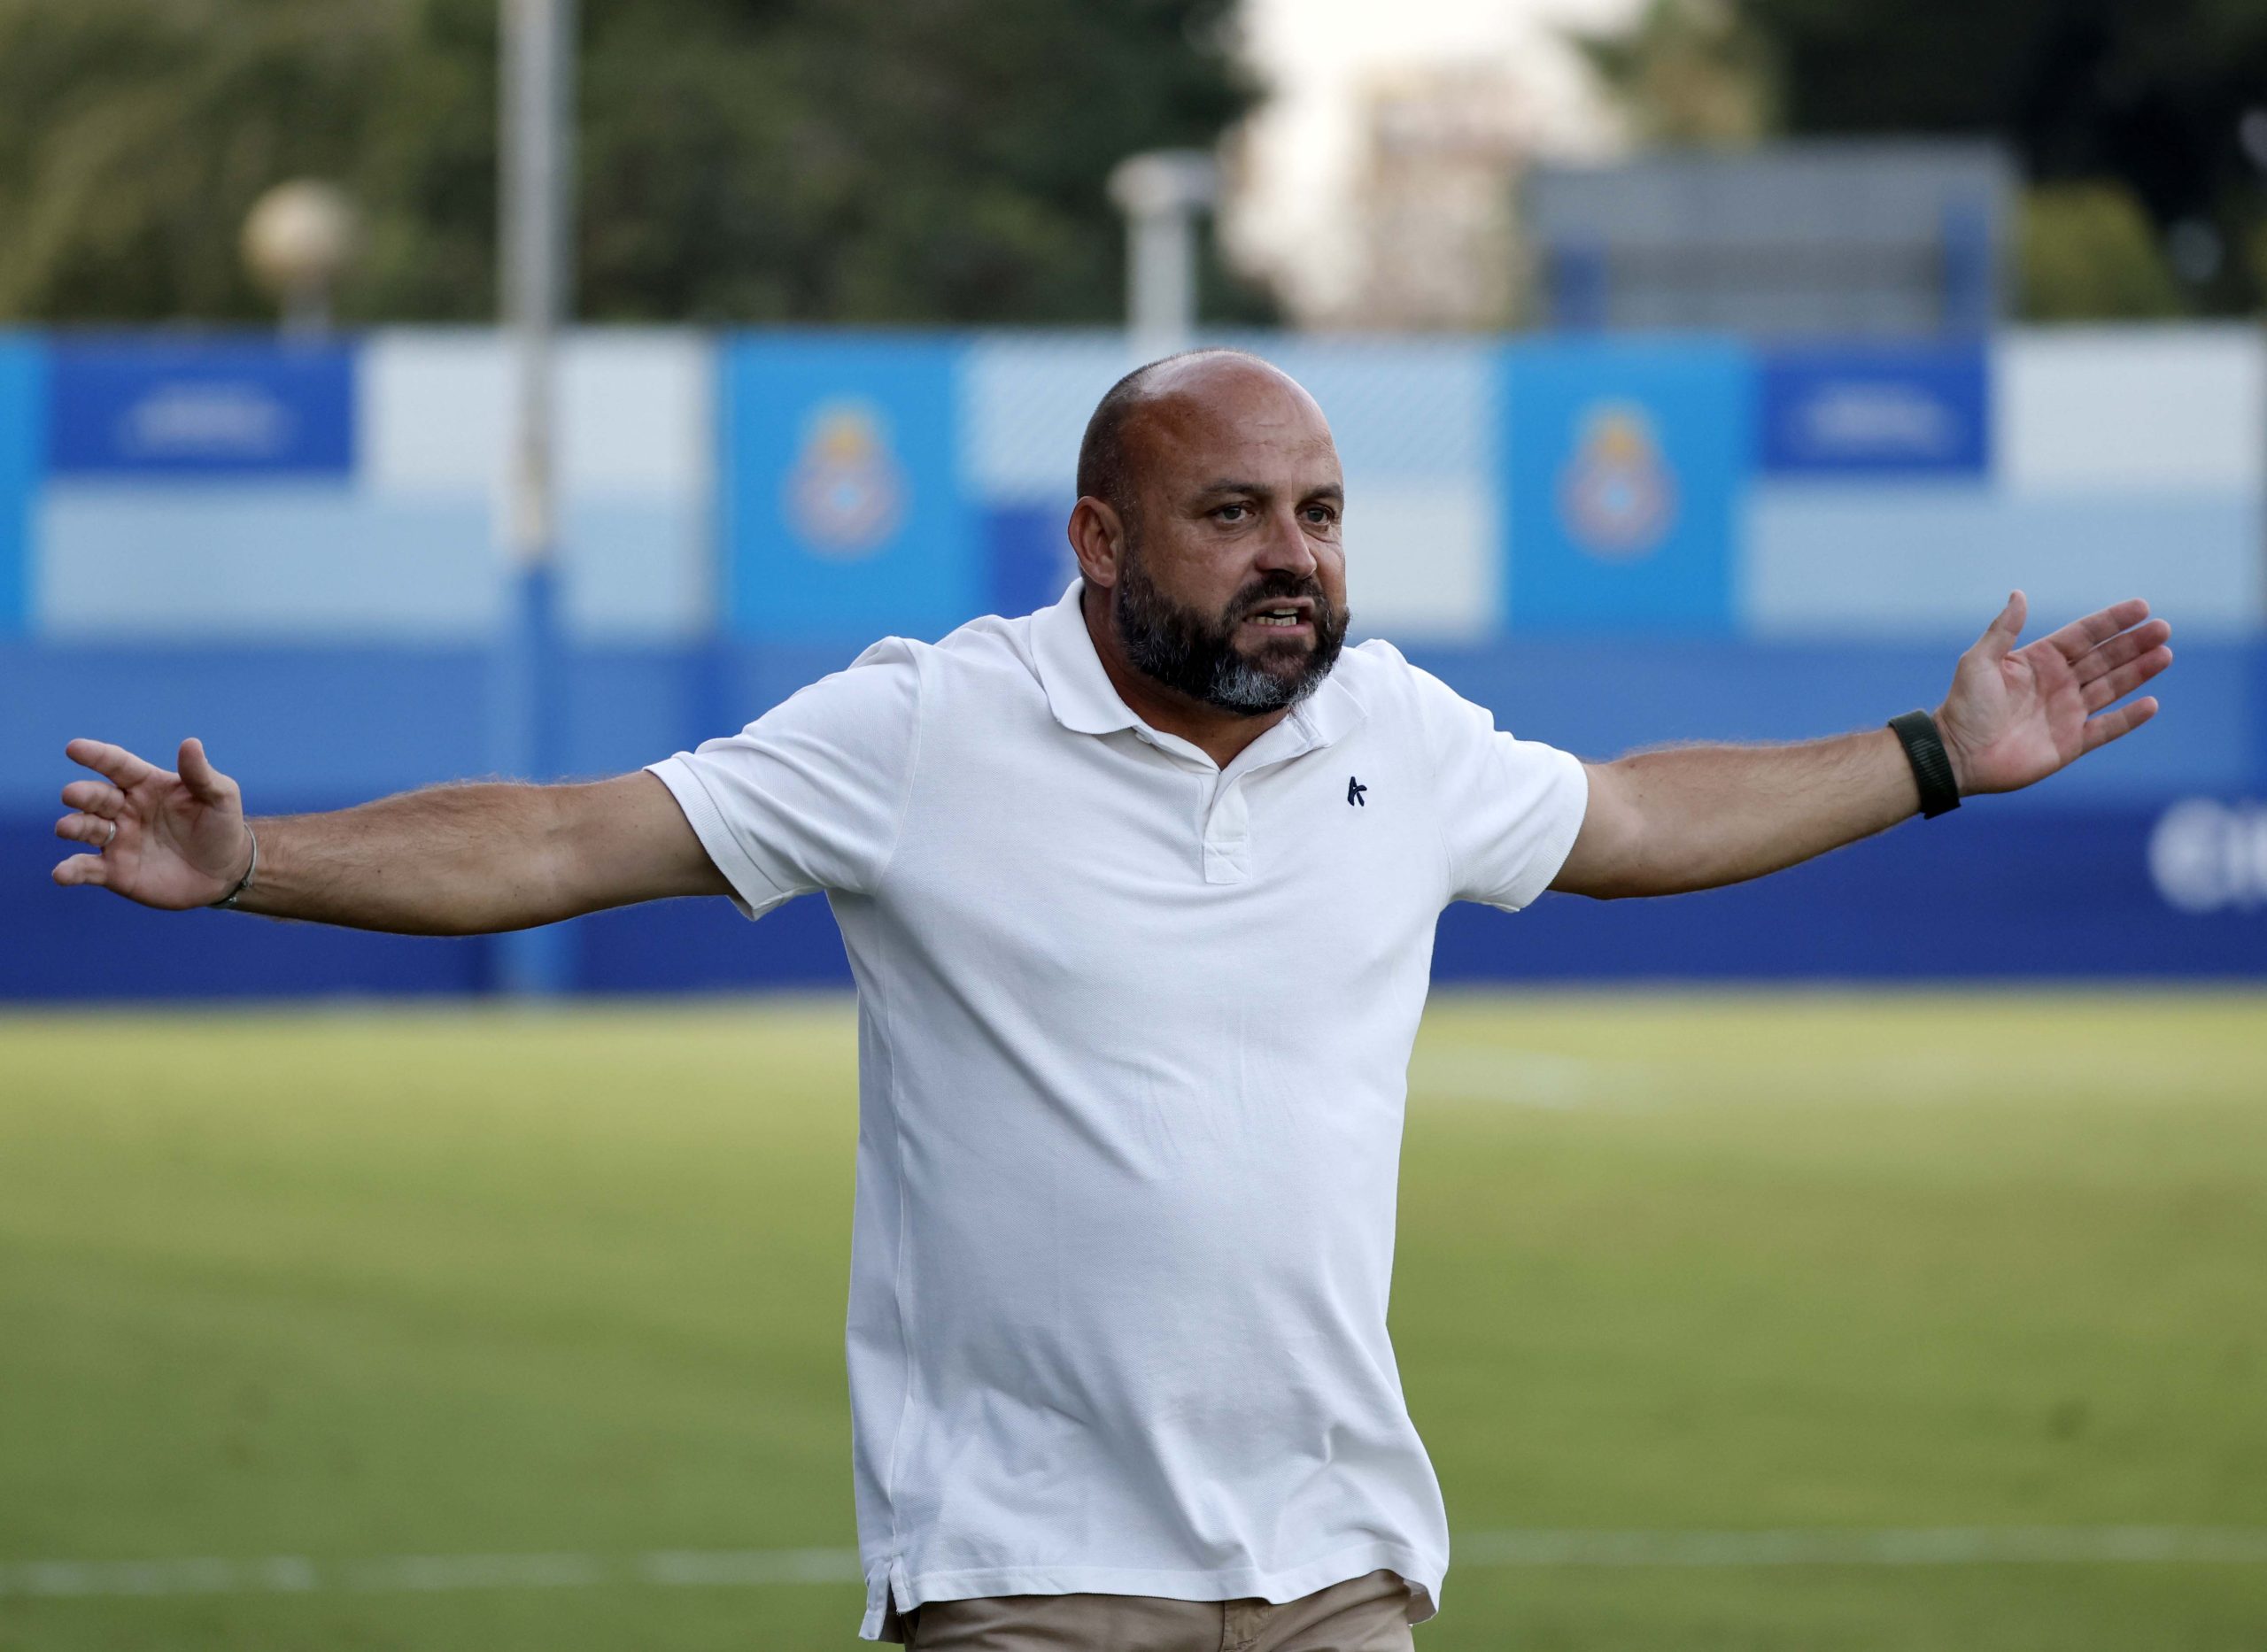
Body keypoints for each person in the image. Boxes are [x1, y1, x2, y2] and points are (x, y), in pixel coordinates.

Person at [50, 350, 2170, 1651]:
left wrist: (1926, 756)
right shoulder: (923, 731)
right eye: (1233, 512)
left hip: (1344, 1561)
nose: (1293, 558)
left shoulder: (1398, 737)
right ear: (1095, 535)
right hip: (1029, 1576)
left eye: (1320, 515)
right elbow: (558, 839)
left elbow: (1622, 811)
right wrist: (259, 862)